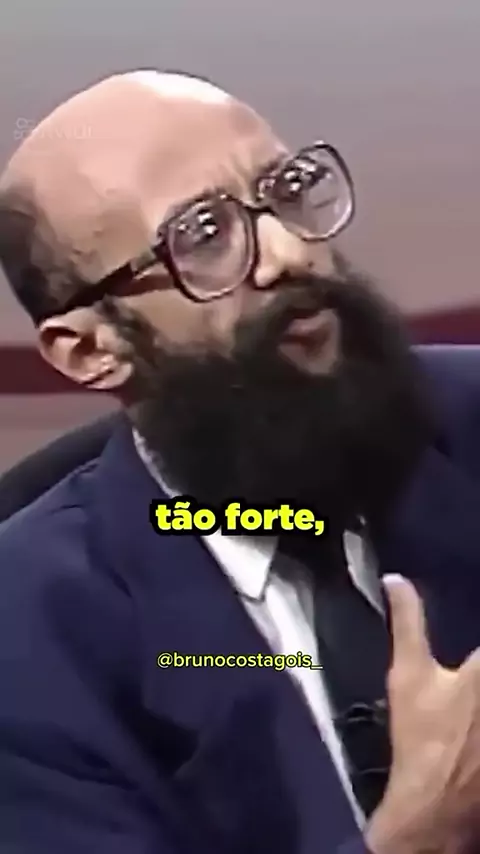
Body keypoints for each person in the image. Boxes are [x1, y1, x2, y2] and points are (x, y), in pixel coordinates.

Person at [0, 70, 480, 854]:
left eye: (287, 191)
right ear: (89, 349)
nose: (290, 253)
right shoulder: (28, 641)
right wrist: (423, 836)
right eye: (203, 236)